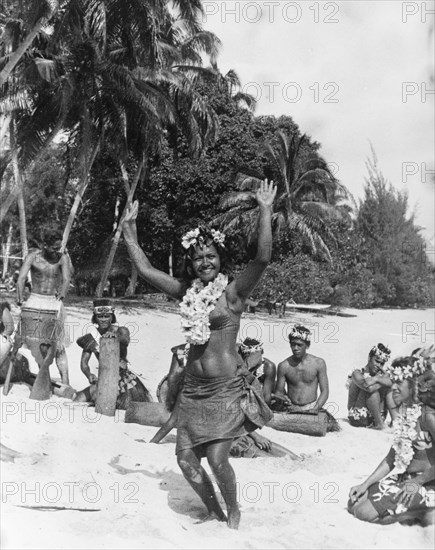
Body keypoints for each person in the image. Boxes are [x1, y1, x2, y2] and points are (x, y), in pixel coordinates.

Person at [122, 179, 276, 529]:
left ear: (220, 259)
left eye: (211, 256)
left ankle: (234, 512)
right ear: (191, 265)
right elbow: (146, 271)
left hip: (224, 391)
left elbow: (263, 257)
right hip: (192, 392)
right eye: (197, 258)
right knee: (187, 461)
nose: (204, 262)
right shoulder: (186, 292)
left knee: (219, 459)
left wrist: (265, 211)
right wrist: (130, 231)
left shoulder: (233, 294)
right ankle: (213, 511)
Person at [348, 356, 434, 525]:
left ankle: (421, 512)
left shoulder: (428, 416)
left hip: (427, 482)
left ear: (413, 384)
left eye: (399, 383)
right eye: (393, 382)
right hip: (407, 478)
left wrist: (418, 482)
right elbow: (391, 458)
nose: (393, 388)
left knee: (364, 513)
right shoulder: (406, 414)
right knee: (354, 502)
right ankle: (415, 511)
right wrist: (365, 484)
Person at [74, 299, 152, 409]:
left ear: (112, 317)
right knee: (77, 399)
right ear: (95, 318)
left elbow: (125, 340)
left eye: (107, 316)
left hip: (122, 379)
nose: (103, 320)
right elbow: (84, 364)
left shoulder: (121, 331)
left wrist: (115, 338)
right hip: (104, 378)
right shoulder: (91, 338)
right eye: (100, 316)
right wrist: (89, 375)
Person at [15, 234, 72, 384]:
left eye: (59, 248)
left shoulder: (62, 258)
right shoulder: (32, 257)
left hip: (53, 301)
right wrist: (20, 297)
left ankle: (65, 380)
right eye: (54, 248)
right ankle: (43, 377)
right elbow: (21, 278)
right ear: (44, 245)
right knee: (36, 341)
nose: (56, 251)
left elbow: (67, 279)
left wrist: (62, 295)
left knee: (57, 343)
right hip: (34, 299)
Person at [347, 343, 397, 430]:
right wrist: (379, 379)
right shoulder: (357, 373)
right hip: (358, 417)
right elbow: (368, 387)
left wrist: (378, 379)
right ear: (369, 357)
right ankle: (379, 423)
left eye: (382, 364)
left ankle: (395, 421)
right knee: (373, 391)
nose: (379, 366)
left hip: (377, 416)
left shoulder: (380, 375)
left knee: (389, 388)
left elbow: (394, 383)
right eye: (377, 361)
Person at [0, 299, 14, 368]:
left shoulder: (2, 307)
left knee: (3, 344)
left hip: (1, 339)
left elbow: (10, 327)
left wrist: (4, 335)